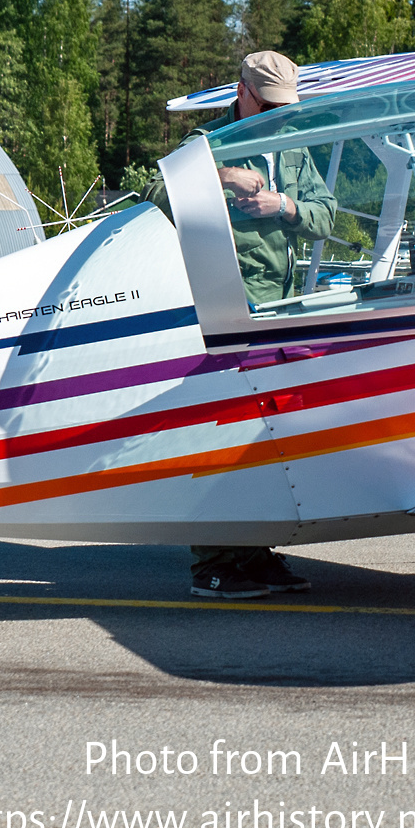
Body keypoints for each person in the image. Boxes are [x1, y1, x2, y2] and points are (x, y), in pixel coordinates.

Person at [140, 50, 336, 600]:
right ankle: (214, 565)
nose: (280, 115)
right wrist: (221, 177)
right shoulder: (206, 144)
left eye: (286, 106)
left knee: (264, 437)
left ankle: (252, 550)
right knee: (223, 431)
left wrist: (285, 207)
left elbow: (327, 216)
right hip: (224, 306)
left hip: (280, 309)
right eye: (270, 104)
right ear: (242, 92)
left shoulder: (292, 147)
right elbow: (155, 198)